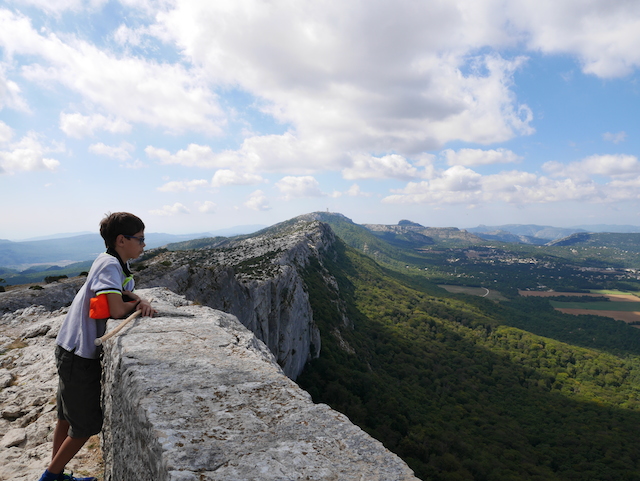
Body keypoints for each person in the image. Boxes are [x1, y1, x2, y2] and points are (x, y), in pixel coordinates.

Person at [38, 212, 156, 481]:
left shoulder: (112, 262)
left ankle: (57, 473)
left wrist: (135, 298)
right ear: (121, 240)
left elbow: (121, 294)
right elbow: (115, 309)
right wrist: (138, 305)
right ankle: (51, 477)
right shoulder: (109, 266)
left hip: (71, 348)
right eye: (140, 239)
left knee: (66, 418)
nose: (144, 244)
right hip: (79, 354)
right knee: (84, 426)